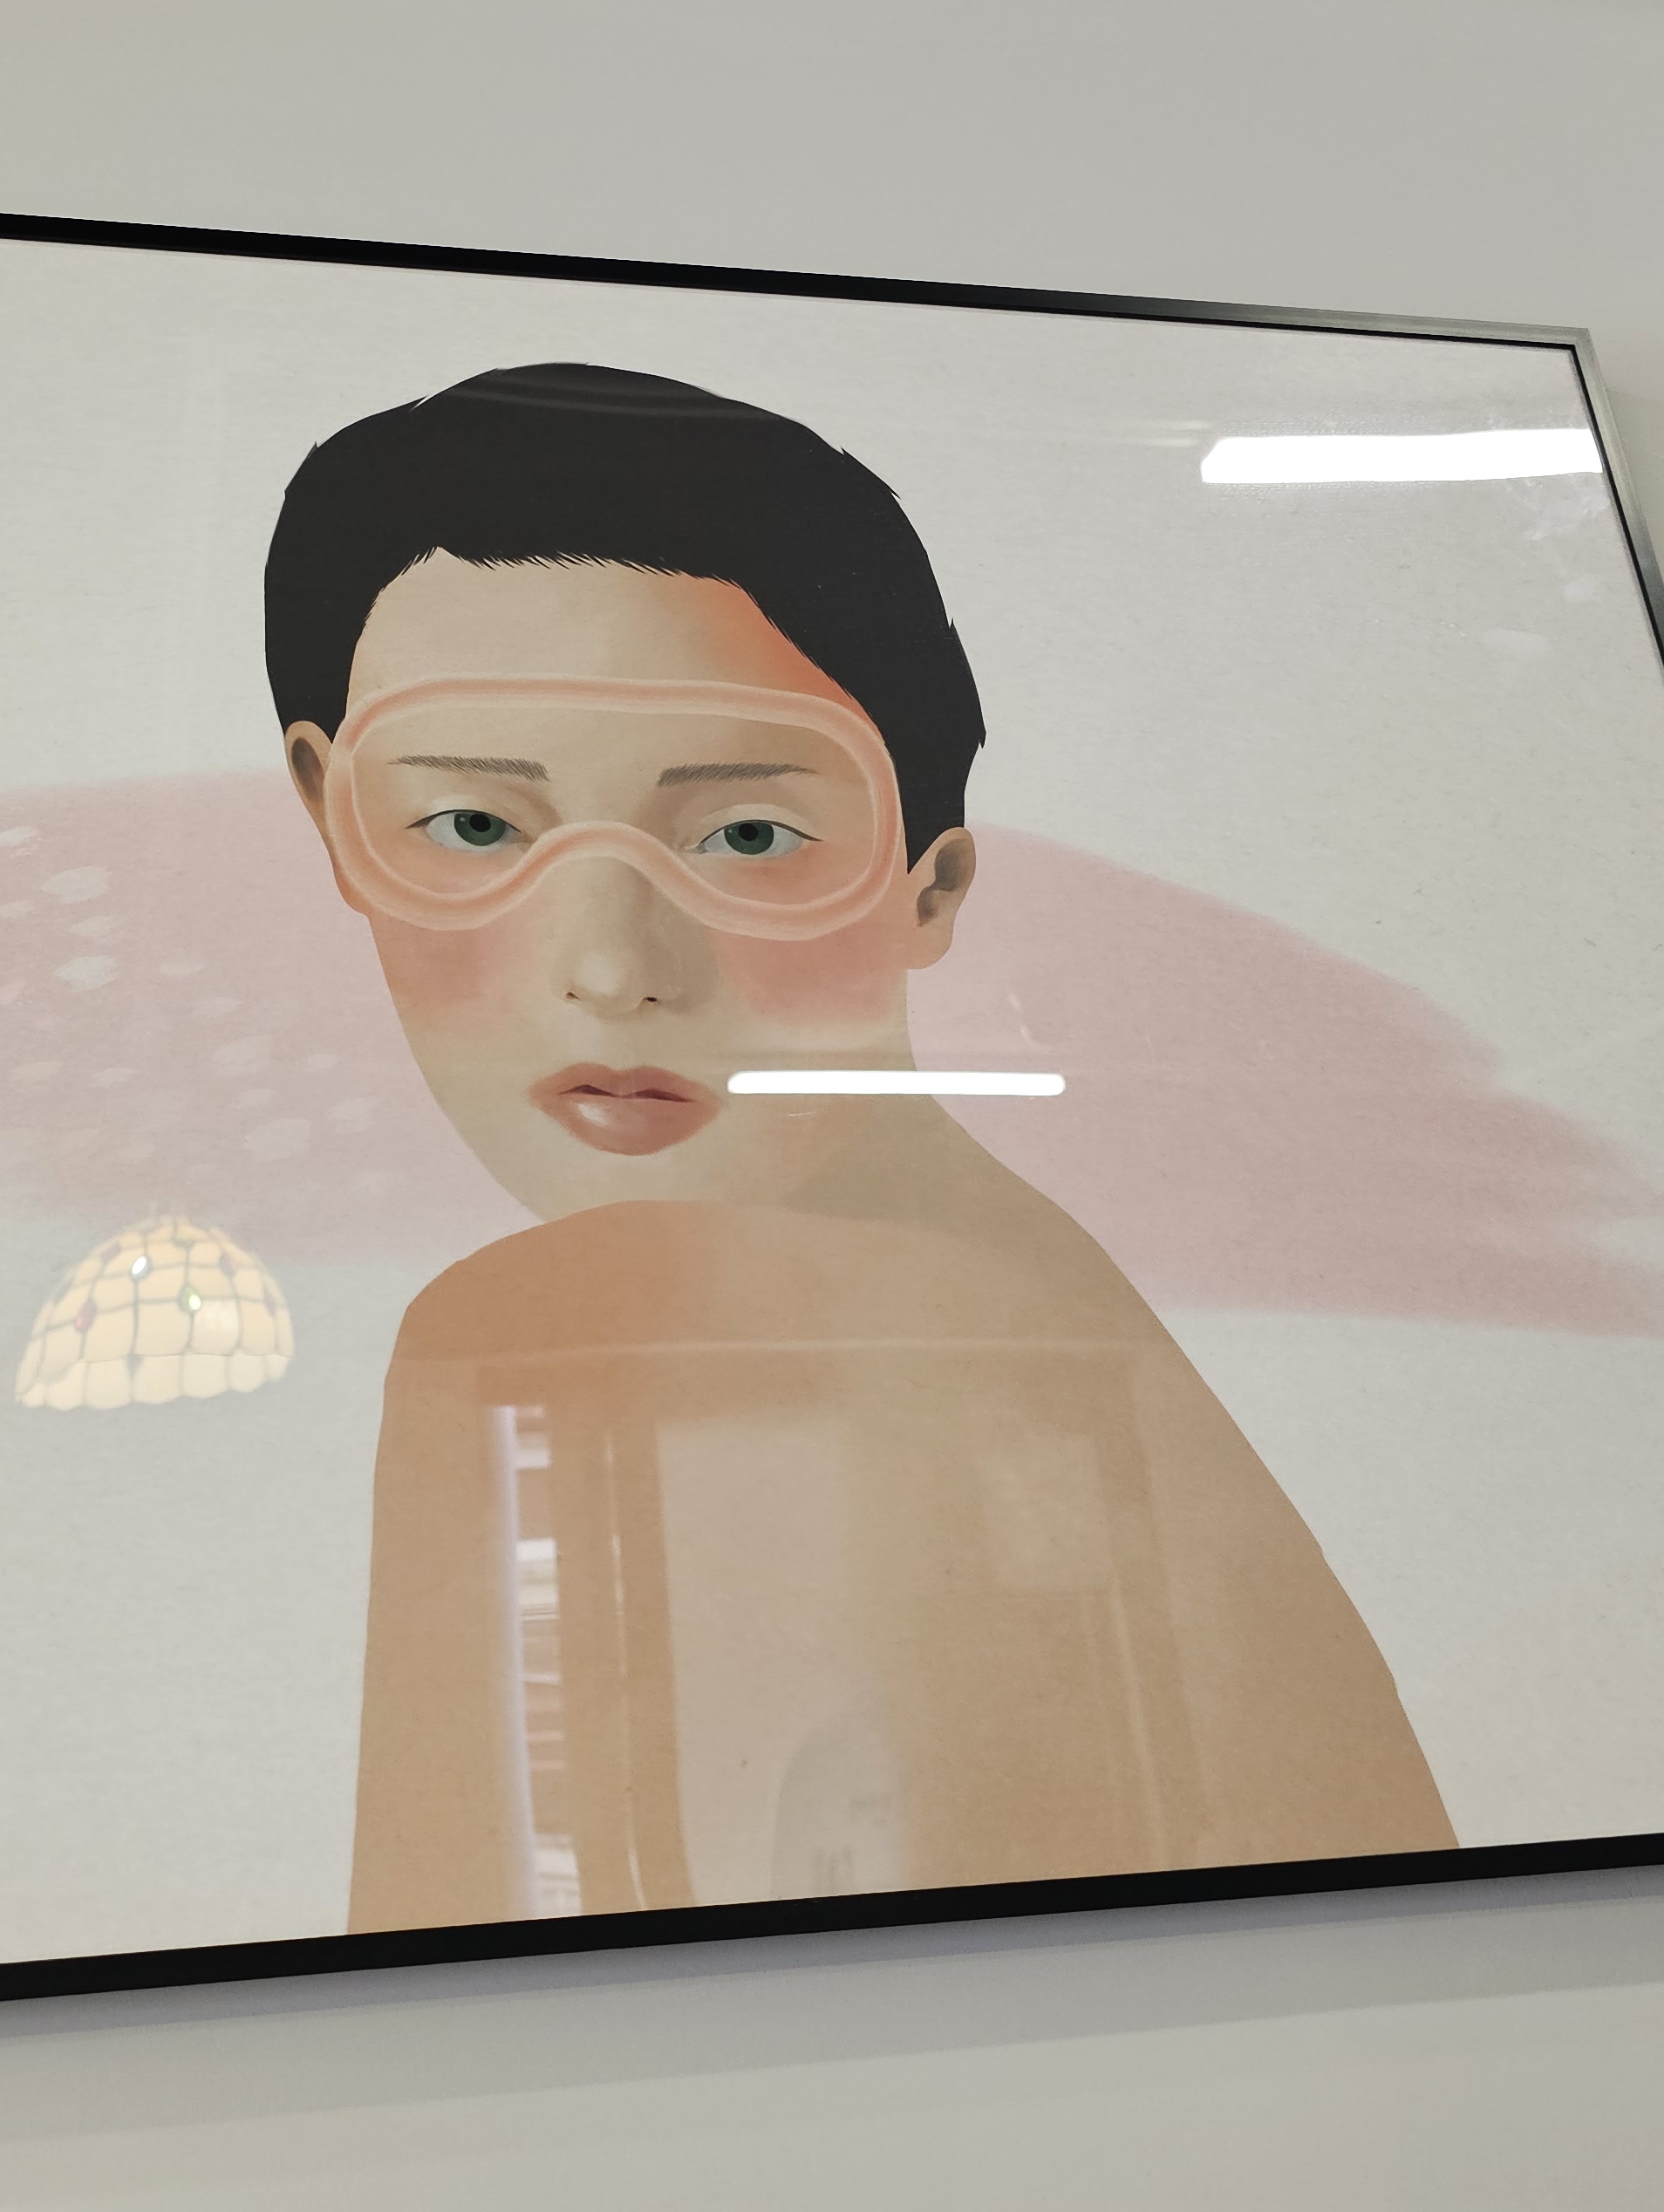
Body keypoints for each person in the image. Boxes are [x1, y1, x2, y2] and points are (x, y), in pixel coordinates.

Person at [266, 364, 1452, 1931]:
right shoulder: (1026, 1288)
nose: (611, 966)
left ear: (931, 883)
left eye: (748, 837)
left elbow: (463, 2023)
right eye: (476, 827)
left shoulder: (592, 1325)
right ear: (324, 810)